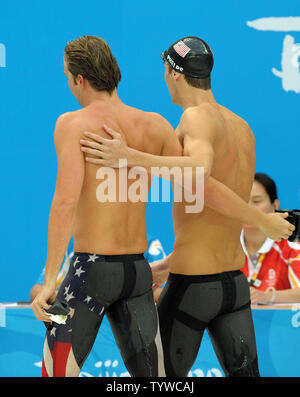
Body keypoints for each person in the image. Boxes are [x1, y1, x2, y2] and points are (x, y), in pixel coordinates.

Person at [80, 36, 295, 377]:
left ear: (174, 73)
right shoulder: (242, 128)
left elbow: (199, 175)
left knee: (154, 380)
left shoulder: (196, 118)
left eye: (165, 71)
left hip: (194, 287)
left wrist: (127, 156)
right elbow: (214, 208)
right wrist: (165, 265)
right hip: (233, 287)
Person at [31, 35, 183, 377]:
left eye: (67, 77)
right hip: (137, 272)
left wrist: (49, 281)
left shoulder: (73, 123)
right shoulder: (155, 125)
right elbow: (193, 187)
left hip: (91, 272)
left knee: (56, 373)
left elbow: (66, 201)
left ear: (78, 79)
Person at [30, 236, 166, 302]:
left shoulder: (148, 244)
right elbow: (36, 291)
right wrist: (65, 295)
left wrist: (113, 292)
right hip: (80, 332)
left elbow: (163, 293)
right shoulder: (75, 245)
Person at [241, 173, 300, 304]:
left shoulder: (292, 247)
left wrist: (266, 297)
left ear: (275, 205)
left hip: (280, 323)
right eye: (243, 202)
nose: (250, 209)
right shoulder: (224, 247)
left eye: (256, 201)